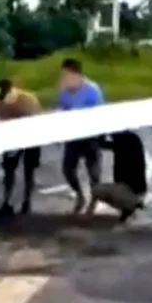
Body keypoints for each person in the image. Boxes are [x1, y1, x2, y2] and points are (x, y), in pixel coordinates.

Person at [56, 58, 106, 213]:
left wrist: (100, 136)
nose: (64, 78)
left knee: (94, 172)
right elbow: (61, 110)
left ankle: (94, 200)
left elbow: (101, 113)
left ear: (76, 75)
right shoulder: (64, 91)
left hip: (91, 136)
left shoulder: (92, 90)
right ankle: (80, 195)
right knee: (67, 169)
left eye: (66, 75)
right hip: (73, 136)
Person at [0, 78, 42, 215]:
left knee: (29, 170)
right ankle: (6, 202)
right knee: (9, 170)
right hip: (12, 137)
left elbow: (37, 119)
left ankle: (27, 202)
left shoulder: (28, 99)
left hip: (32, 135)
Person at [93, 130, 147, 222]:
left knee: (96, 190)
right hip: (138, 190)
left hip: (132, 190)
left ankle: (130, 206)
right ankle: (130, 206)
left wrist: (101, 134)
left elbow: (101, 144)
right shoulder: (130, 139)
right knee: (119, 188)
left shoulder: (124, 143)